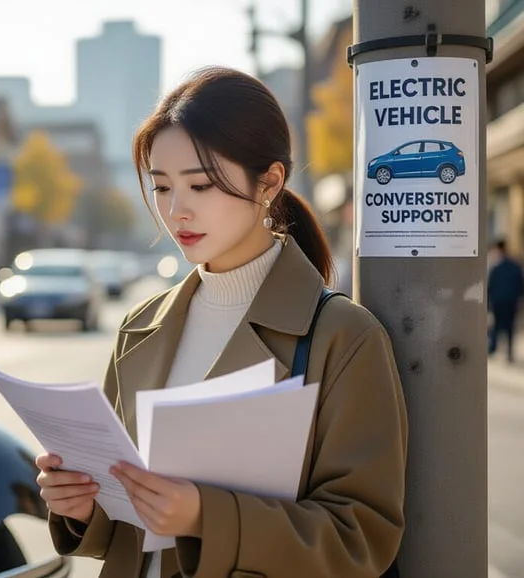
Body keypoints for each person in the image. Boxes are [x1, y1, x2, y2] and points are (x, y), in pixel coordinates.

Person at [35, 66, 408, 578]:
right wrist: (82, 507)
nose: (176, 210)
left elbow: (361, 538)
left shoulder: (343, 336)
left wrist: (206, 517)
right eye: (162, 186)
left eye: (201, 185)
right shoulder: (140, 326)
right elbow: (127, 525)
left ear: (269, 183)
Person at [488, 239, 524, 362]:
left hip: (498, 301)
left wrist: (488, 303)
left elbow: (490, 285)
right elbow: (521, 284)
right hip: (511, 301)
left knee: (496, 325)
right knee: (509, 327)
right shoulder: (515, 266)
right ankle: (508, 352)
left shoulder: (495, 267)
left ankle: (493, 349)